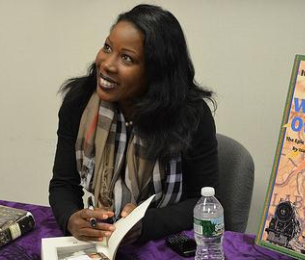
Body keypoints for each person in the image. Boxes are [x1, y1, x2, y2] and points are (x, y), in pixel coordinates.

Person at [49, 4, 218, 244]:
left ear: (155, 72)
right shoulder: (79, 102)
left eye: (127, 58)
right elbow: (63, 184)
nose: (107, 64)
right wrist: (71, 218)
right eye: (108, 47)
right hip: (100, 245)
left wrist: (146, 224)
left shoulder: (191, 115)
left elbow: (204, 202)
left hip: (164, 246)